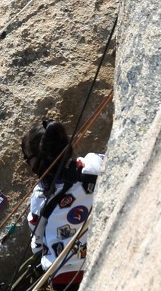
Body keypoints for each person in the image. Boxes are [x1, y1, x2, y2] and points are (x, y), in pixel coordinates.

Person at [21, 119, 105, 288]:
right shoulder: (95, 163)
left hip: (64, 277)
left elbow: (37, 242)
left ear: (38, 161)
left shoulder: (41, 196)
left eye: (27, 159)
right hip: (104, 256)